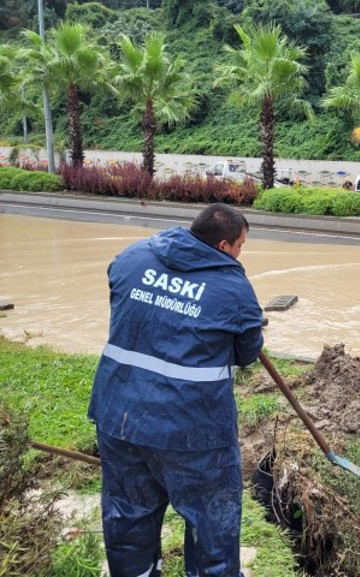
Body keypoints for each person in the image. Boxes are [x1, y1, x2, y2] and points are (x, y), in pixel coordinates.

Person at [88, 203, 264, 577]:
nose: (240, 253)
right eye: (240, 246)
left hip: (119, 417)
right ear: (223, 245)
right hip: (193, 431)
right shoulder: (233, 289)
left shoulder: (133, 257)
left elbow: (123, 307)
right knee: (210, 520)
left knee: (128, 512)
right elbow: (247, 353)